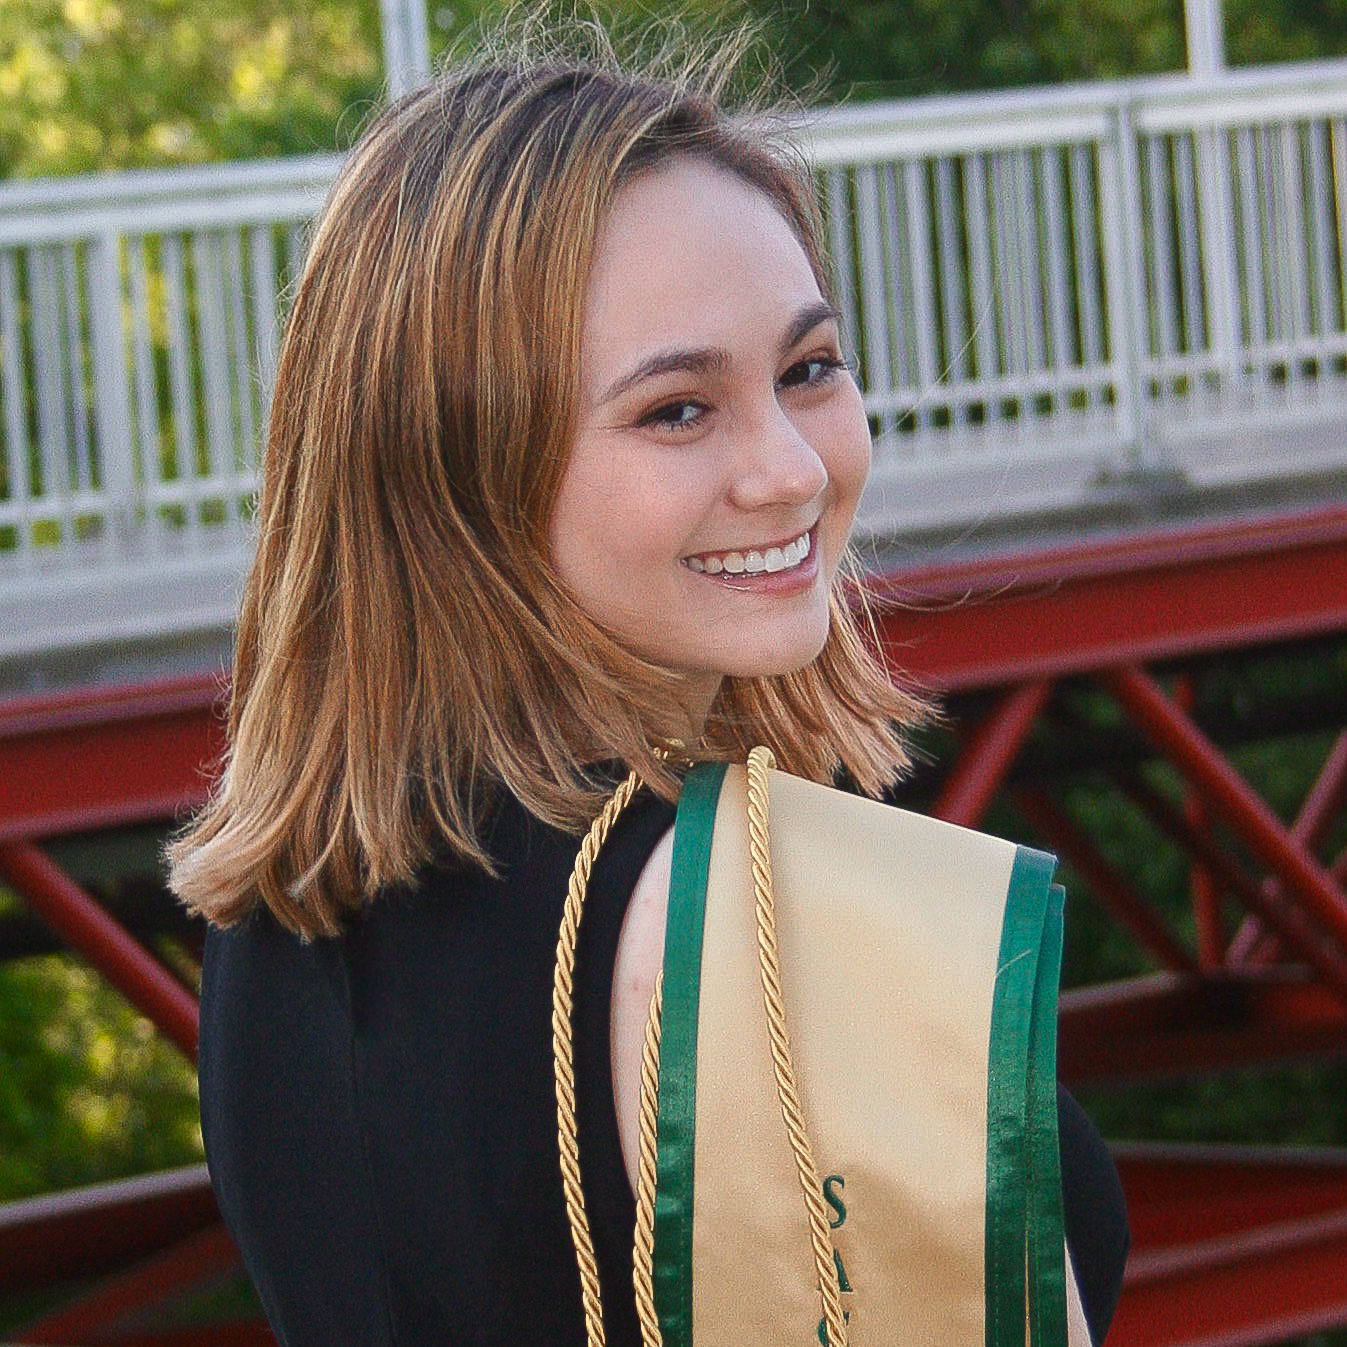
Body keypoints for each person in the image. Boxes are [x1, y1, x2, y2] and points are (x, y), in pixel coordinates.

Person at [170, 23, 1128, 1347]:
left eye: (808, 369)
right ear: (456, 471)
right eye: (677, 409)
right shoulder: (780, 930)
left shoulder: (280, 906)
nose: (791, 468)